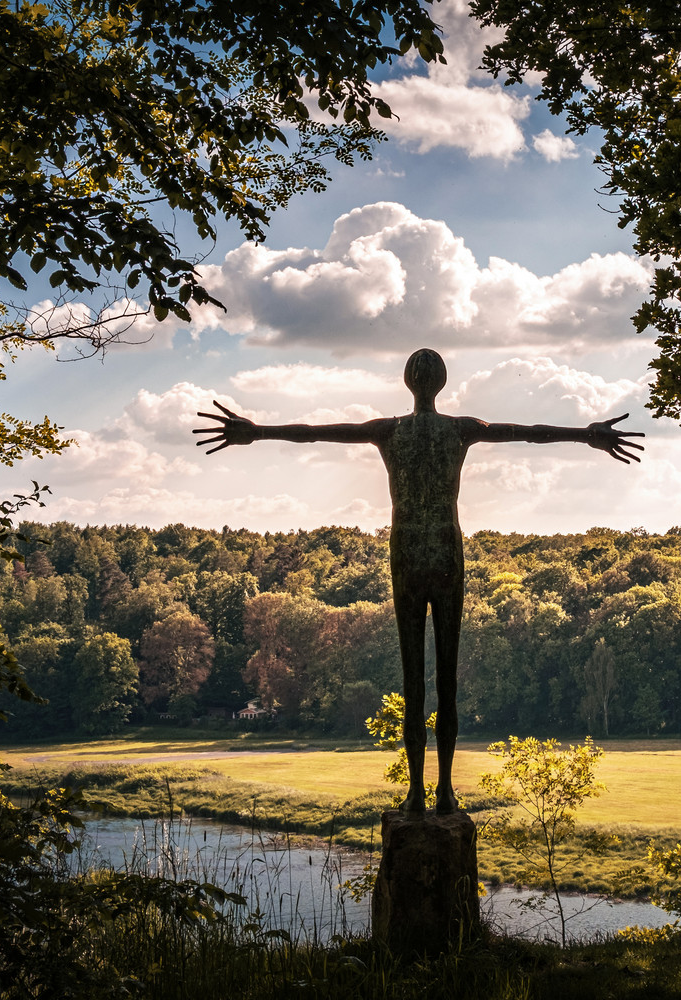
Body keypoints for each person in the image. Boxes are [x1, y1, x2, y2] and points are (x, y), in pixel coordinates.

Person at [194, 348, 643, 813]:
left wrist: (257, 432)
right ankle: (445, 792)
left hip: (407, 554)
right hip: (446, 552)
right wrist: (586, 434)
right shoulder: (459, 428)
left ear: (408, 382)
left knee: (415, 681)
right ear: (441, 383)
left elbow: (315, 434)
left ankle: (416, 794)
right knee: (444, 679)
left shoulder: (388, 430)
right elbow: (528, 434)